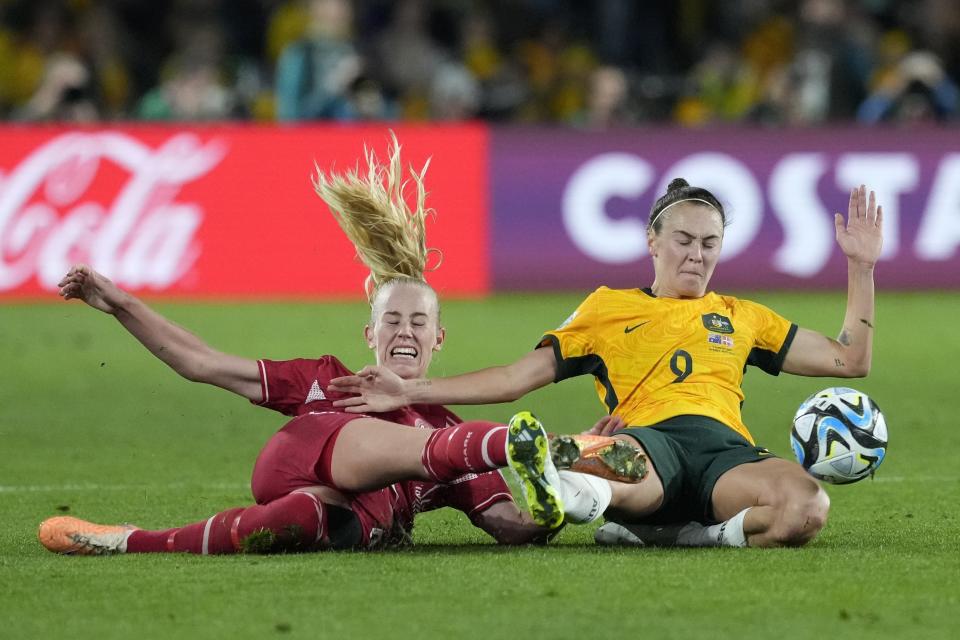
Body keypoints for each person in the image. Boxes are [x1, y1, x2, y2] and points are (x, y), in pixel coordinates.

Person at [38, 138, 643, 556]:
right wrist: (120, 304)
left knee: (304, 522)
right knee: (433, 446)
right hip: (301, 451)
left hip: (335, 506)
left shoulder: (446, 430)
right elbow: (200, 364)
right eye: (392, 321)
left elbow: (511, 528)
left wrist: (562, 495)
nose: (404, 332)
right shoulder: (328, 379)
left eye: (417, 323)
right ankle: (524, 443)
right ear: (370, 334)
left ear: (438, 337)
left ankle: (123, 540)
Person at [329, 179, 884, 548]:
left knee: (806, 508)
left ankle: (670, 532)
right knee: (608, 460)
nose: (697, 254)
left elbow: (851, 359)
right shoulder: (607, 309)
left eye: (710, 243)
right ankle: (571, 475)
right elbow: (515, 379)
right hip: (650, 445)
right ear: (652, 241)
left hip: (726, 455)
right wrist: (409, 391)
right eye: (684, 240)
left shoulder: (743, 316)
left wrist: (862, 266)